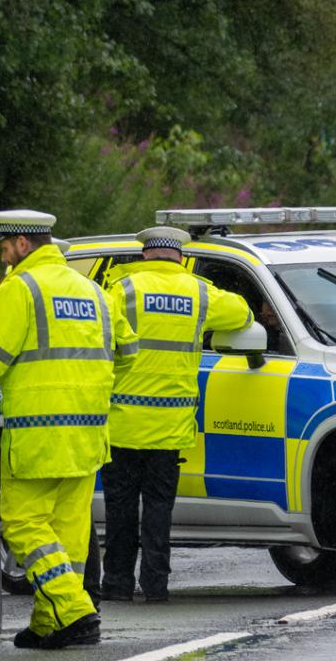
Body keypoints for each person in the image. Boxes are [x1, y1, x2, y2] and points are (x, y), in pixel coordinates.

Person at [0, 209, 137, 650]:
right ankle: (51, 623)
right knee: (66, 538)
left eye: (6, 246)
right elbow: (128, 353)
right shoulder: (95, 293)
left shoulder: (21, 289)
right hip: (87, 437)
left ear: (24, 244)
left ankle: (76, 611)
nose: (4, 254)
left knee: (24, 524)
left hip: (38, 435)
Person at [99, 226, 253, 602]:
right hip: (170, 429)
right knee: (158, 512)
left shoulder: (125, 291)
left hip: (122, 425)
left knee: (119, 511)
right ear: (180, 258)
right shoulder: (200, 292)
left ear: (145, 254)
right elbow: (242, 314)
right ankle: (156, 586)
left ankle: (117, 585)